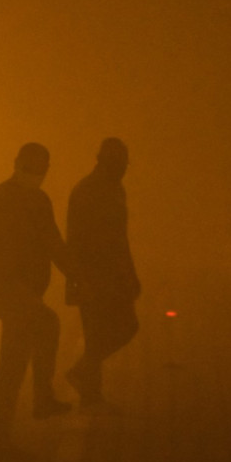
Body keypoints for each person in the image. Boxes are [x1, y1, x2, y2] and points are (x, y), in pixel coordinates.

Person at [0, 143, 72, 460]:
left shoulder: (38, 200)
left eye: (41, 169)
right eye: (31, 167)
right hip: (3, 288)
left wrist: (75, 274)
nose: (35, 175)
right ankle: (42, 398)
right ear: (17, 164)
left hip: (23, 291)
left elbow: (54, 243)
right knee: (47, 324)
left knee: (12, 362)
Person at [65, 138, 140, 407]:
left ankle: (83, 376)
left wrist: (130, 272)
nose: (123, 169)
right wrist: (79, 279)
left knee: (125, 327)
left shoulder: (115, 189)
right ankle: (90, 394)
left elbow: (121, 237)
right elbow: (76, 240)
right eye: (119, 164)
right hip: (92, 276)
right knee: (97, 333)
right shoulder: (87, 191)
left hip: (113, 274)